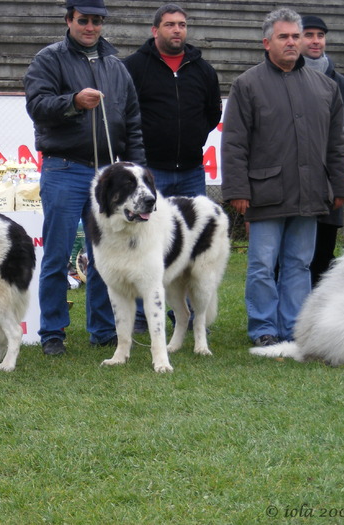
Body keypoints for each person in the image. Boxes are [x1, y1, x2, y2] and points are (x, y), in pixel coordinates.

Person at [221, 8, 344, 347]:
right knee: (262, 265)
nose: (292, 42)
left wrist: (339, 186)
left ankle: (294, 327)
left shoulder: (325, 87)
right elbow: (234, 142)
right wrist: (237, 190)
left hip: (310, 193)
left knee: (299, 264)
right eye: (284, 37)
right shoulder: (246, 85)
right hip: (264, 193)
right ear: (267, 43)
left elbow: (337, 143)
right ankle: (263, 328)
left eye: (296, 36)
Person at [24, 0, 145, 356]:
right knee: (58, 254)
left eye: (96, 21)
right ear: (69, 21)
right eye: (83, 20)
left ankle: (103, 330)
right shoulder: (48, 59)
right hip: (64, 168)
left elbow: (133, 122)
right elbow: (37, 105)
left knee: (104, 255)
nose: (90, 27)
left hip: (108, 174)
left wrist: (138, 174)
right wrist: (74, 101)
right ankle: (52, 333)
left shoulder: (116, 67)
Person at [122, 3, 222, 332]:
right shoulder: (135, 67)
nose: (177, 30)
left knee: (189, 246)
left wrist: (189, 137)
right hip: (152, 174)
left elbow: (212, 115)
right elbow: (125, 113)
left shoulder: (203, 70)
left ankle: (191, 319)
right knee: (145, 244)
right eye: (169, 25)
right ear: (155, 31)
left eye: (181, 24)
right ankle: (140, 318)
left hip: (191, 168)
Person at [299, 15, 344, 286]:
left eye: (320, 35)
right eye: (309, 34)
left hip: (327, 181)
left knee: (322, 255)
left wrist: (324, 155)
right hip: (292, 181)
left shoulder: (342, 84)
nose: (315, 41)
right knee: (290, 256)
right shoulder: (283, 77)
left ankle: (317, 314)